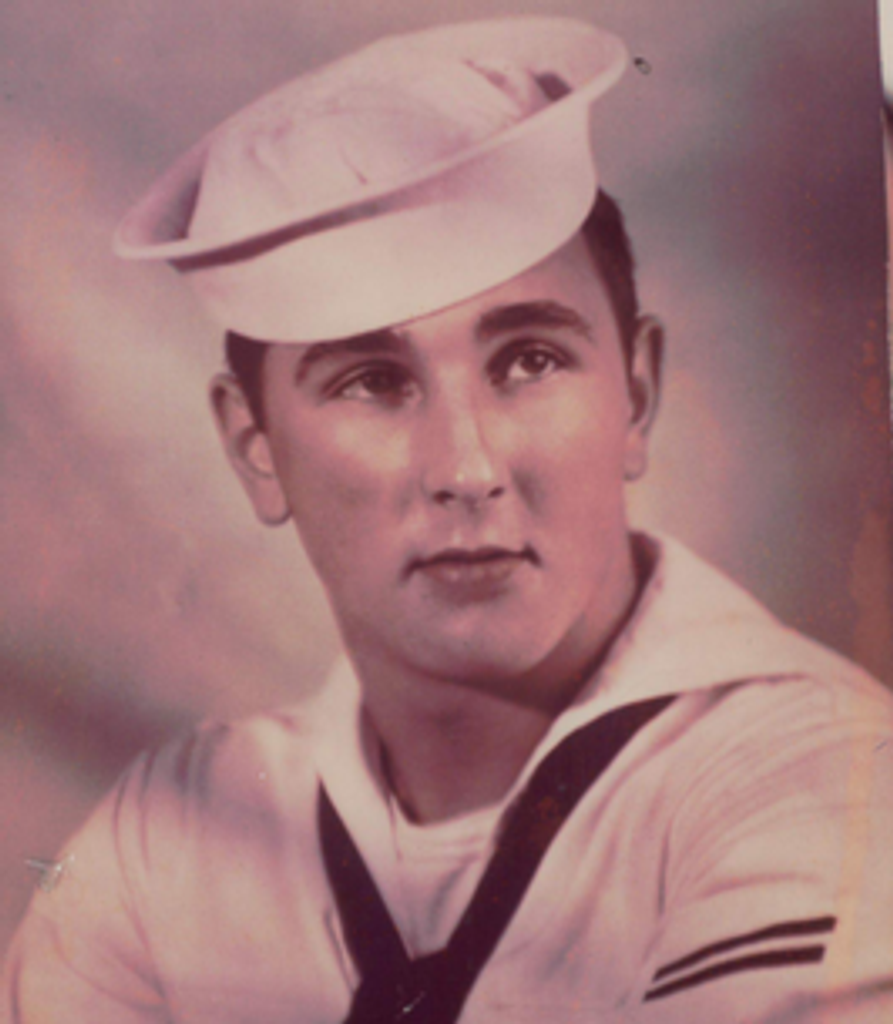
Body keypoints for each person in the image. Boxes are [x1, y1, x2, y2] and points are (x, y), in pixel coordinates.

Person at [2, 16, 892, 1024]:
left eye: (529, 360)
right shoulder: (161, 846)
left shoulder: (815, 778)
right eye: (372, 381)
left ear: (636, 394)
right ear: (256, 449)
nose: (467, 470)